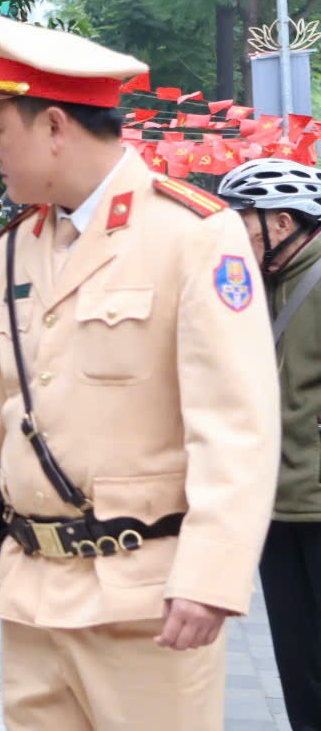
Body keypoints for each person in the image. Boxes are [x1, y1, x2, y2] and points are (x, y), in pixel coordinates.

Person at [0, 10, 280, 730]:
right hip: (32, 593)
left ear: (54, 125)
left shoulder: (192, 235)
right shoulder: (13, 252)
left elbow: (236, 424)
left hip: (147, 601)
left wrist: (212, 578)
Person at [217, 158, 321, 730]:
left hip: (316, 501)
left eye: (243, 223)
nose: (235, 237)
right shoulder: (261, 286)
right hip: (277, 506)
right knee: (298, 667)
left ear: (280, 223)